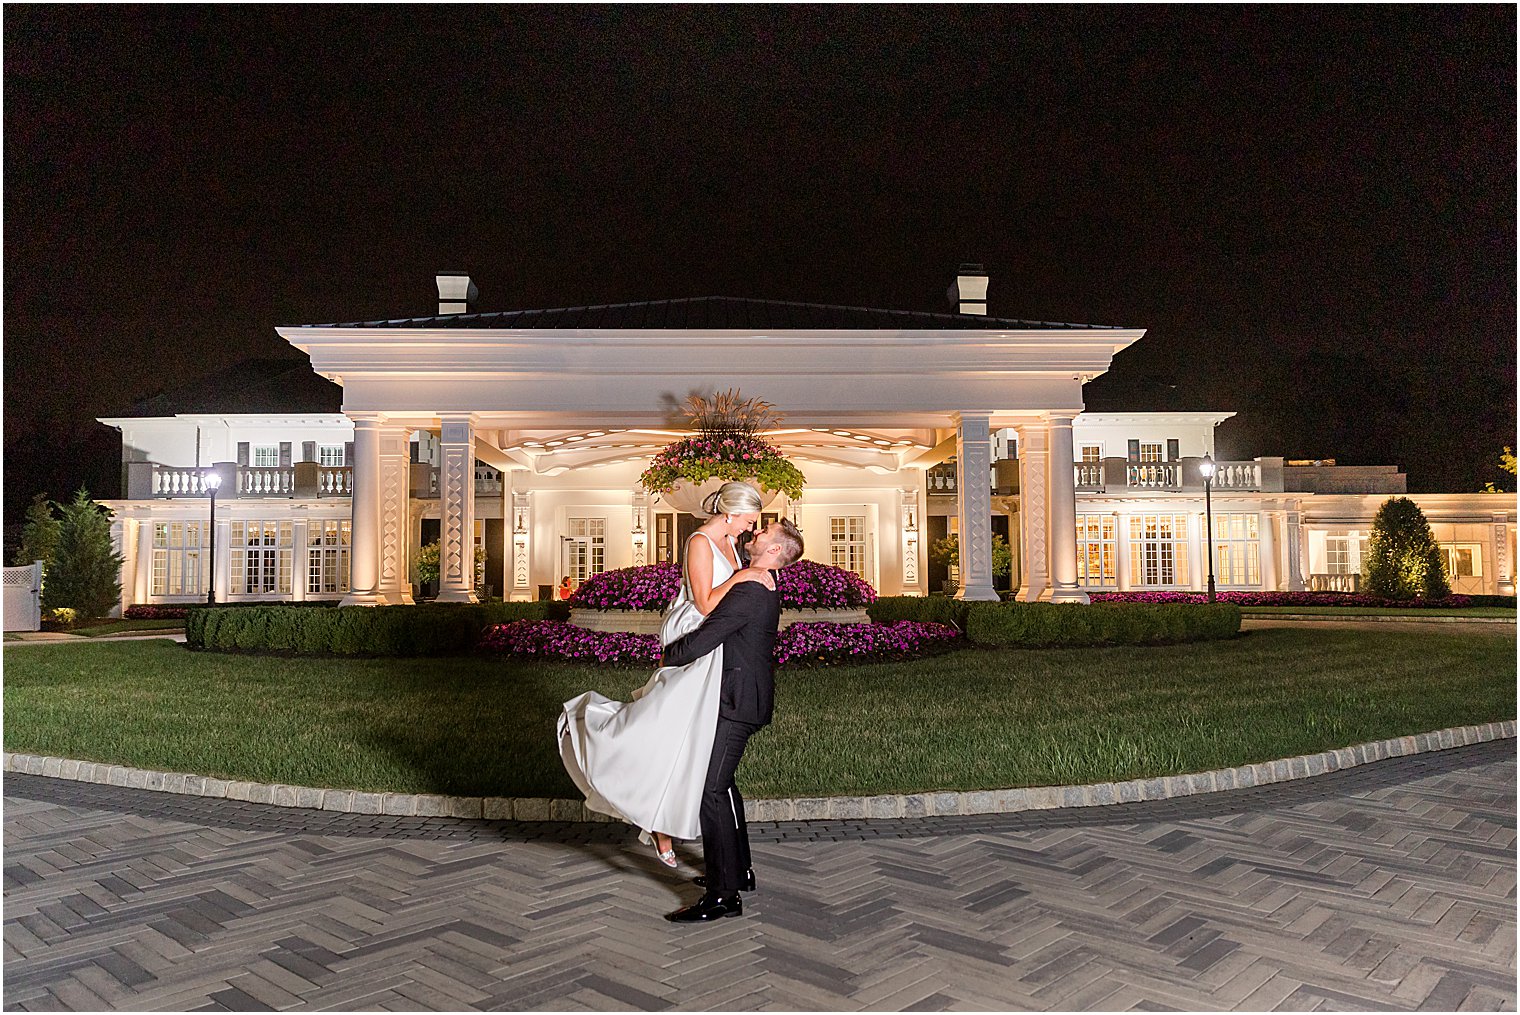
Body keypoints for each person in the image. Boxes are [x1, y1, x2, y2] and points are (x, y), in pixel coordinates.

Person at [557, 482, 768, 867]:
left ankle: (664, 825)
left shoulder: (731, 543)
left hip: (716, 649)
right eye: (749, 520)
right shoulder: (701, 542)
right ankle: (647, 809)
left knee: (689, 743)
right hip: (697, 640)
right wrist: (744, 577)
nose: (751, 528)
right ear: (730, 513)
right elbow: (704, 601)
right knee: (666, 729)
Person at [662, 518, 804, 924]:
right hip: (745, 697)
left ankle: (724, 896)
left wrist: (664, 657)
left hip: (737, 701)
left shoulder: (752, 587)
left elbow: (709, 634)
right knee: (723, 785)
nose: (755, 533)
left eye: (764, 533)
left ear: (775, 550)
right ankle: (737, 871)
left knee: (712, 788)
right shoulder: (759, 580)